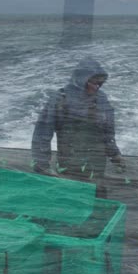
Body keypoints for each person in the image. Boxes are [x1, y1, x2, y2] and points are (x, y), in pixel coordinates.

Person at [31, 57, 125, 198]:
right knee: (70, 201)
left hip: (97, 166)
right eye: (93, 83)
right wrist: (42, 165)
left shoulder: (101, 99)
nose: (97, 87)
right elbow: (42, 134)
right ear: (81, 79)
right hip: (69, 167)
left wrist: (115, 155)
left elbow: (108, 133)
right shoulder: (59, 99)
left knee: (97, 201)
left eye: (101, 84)